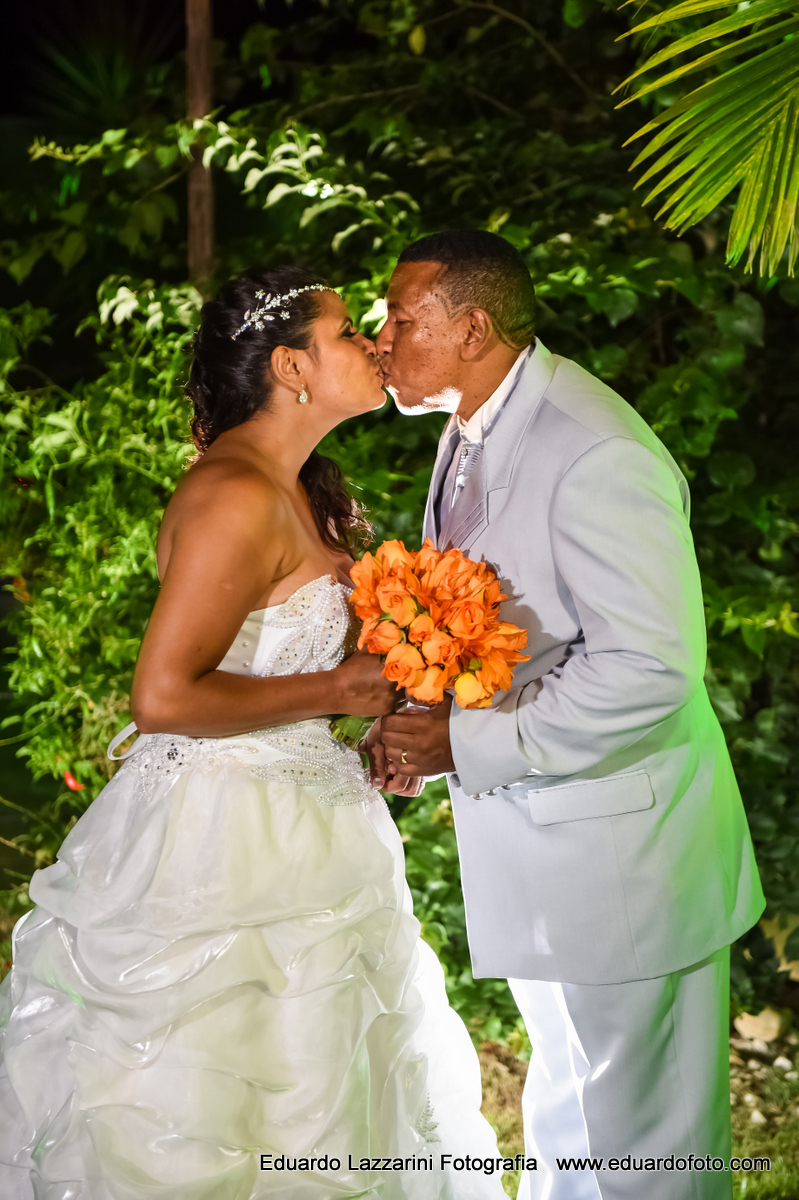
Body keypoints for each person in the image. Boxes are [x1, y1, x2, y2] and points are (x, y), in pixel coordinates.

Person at [0, 266, 507, 1200]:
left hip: (313, 835)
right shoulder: (232, 493)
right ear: (291, 367)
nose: (373, 346)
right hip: (221, 850)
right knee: (210, 1105)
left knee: (328, 1095)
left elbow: (283, 679)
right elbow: (161, 697)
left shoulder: (300, 489)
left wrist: (381, 718)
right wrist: (340, 686)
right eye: (351, 332)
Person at [371, 230, 765, 1200]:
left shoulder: (593, 451)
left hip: (628, 861)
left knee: (649, 1153)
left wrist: (464, 741)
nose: (380, 340)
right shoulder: (473, 423)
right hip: (554, 850)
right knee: (569, 1114)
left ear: (471, 328)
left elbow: (649, 669)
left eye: (399, 319)